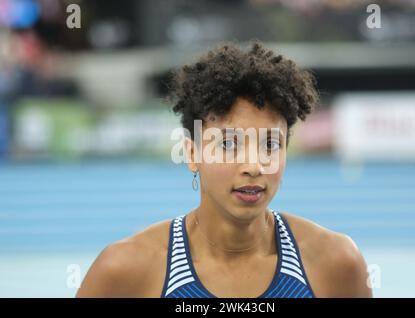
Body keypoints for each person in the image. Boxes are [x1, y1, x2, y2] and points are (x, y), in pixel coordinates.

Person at [76, 41, 372, 298]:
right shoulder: (125, 271)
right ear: (192, 153)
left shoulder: (337, 263)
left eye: (270, 144)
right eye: (229, 144)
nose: (254, 166)